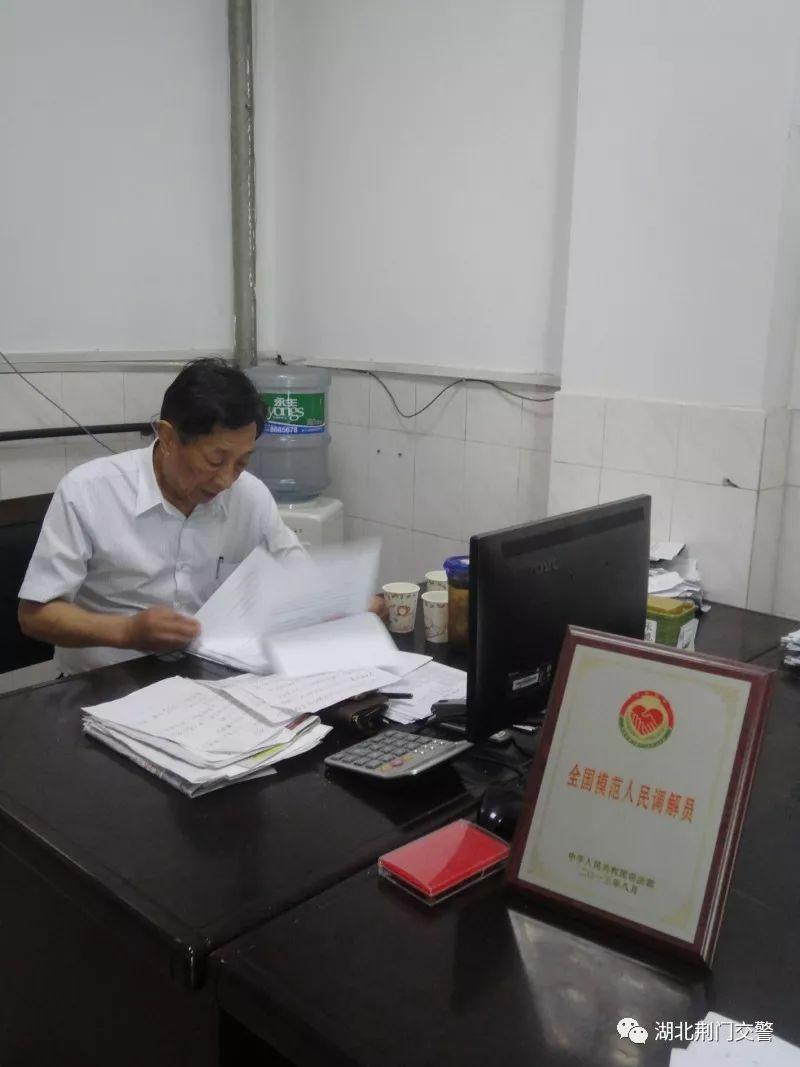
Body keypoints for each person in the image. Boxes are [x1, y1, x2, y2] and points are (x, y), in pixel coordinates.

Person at [18, 358, 374, 676]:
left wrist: (344, 606)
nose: (226, 480)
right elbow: (35, 615)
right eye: (215, 461)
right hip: (101, 686)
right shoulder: (88, 491)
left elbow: (300, 579)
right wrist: (126, 632)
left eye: (242, 462)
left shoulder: (249, 496)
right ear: (168, 437)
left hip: (206, 681)